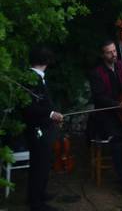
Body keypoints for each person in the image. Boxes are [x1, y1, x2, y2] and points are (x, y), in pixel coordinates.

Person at [87, 39, 122, 193]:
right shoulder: (96, 73)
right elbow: (99, 98)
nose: (114, 54)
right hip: (106, 116)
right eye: (109, 52)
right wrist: (118, 104)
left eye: (114, 51)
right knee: (118, 144)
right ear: (103, 55)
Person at [22, 45, 64, 211]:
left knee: (43, 164)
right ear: (46, 61)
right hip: (37, 130)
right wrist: (51, 113)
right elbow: (28, 108)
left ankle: (39, 193)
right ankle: (36, 203)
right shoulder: (31, 79)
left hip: (44, 128)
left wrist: (52, 115)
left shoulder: (37, 77)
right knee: (39, 165)